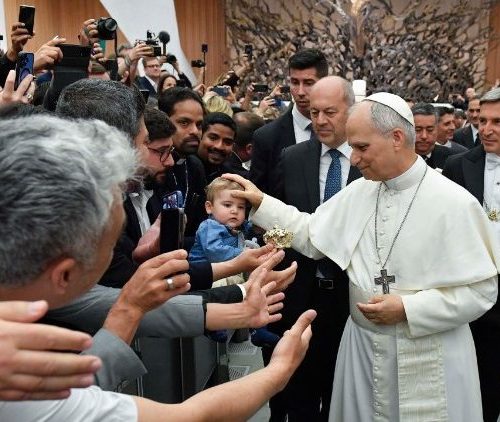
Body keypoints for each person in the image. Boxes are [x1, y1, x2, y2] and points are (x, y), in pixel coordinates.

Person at [0, 115, 316, 421]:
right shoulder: (21, 385)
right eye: (113, 247)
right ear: (64, 274)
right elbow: (188, 416)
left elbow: (109, 323)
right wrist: (279, 370)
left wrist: (241, 308)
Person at [225, 92, 499, 421]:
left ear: (396, 138)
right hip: (363, 349)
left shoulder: (454, 203)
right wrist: (261, 203)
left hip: (433, 354)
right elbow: (312, 235)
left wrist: (409, 308)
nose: (353, 159)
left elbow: (481, 291)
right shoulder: (361, 191)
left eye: (361, 147)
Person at [267, 76, 359, 421]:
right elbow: (277, 221)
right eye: (314, 112)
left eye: (330, 112)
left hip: (352, 300)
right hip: (300, 294)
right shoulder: (292, 158)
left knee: (343, 395)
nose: (320, 120)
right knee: (299, 395)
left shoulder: (368, 160)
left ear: (350, 111)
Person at [443, 87, 500, 422]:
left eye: (497, 122)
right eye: (483, 121)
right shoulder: (458, 165)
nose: (487, 129)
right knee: (481, 389)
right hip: (475, 296)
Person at [250, 49, 328, 195]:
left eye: (308, 83)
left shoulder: (345, 133)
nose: (300, 92)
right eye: (294, 82)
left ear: (325, 83)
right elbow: (258, 198)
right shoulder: (266, 138)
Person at [412, 102, 452, 170]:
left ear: (437, 130)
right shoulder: (395, 158)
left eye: (429, 130)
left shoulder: (451, 159)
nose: (424, 136)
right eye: (418, 130)